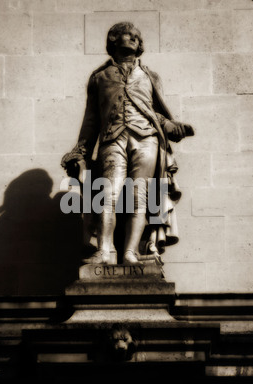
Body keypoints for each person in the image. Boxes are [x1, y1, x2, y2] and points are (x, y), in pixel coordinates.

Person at [61, 22, 194, 266]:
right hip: (112, 139)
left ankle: (130, 252)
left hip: (147, 140)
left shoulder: (150, 76)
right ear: (113, 40)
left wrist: (171, 127)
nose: (132, 38)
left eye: (136, 36)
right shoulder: (99, 77)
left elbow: (155, 112)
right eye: (126, 34)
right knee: (108, 194)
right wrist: (80, 150)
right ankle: (104, 251)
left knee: (139, 197)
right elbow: (91, 119)